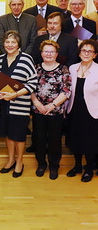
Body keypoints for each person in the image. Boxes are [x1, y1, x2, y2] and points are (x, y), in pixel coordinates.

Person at [0, 30, 37, 178]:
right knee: (7, 134)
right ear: (3, 44)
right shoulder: (0, 59)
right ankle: (11, 160)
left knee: (18, 136)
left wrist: (16, 94)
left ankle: (20, 161)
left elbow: (33, 82)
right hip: (3, 105)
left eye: (13, 42)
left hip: (20, 105)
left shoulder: (26, 59)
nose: (10, 45)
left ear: (18, 44)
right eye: (7, 42)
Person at [31, 40, 71, 180]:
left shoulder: (63, 69)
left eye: (52, 51)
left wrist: (52, 105)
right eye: (46, 51)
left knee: (55, 140)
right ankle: (41, 164)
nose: (49, 54)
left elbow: (66, 91)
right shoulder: (35, 69)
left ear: (56, 54)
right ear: (41, 53)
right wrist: (37, 104)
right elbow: (29, 88)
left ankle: (54, 166)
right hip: (38, 111)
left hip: (56, 112)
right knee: (39, 139)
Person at [66, 40, 98, 182]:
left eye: (90, 51)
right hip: (74, 108)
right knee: (75, 139)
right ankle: (77, 166)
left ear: (95, 55)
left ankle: (89, 169)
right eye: (83, 50)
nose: (86, 53)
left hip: (92, 111)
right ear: (79, 53)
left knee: (89, 141)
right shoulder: (72, 68)